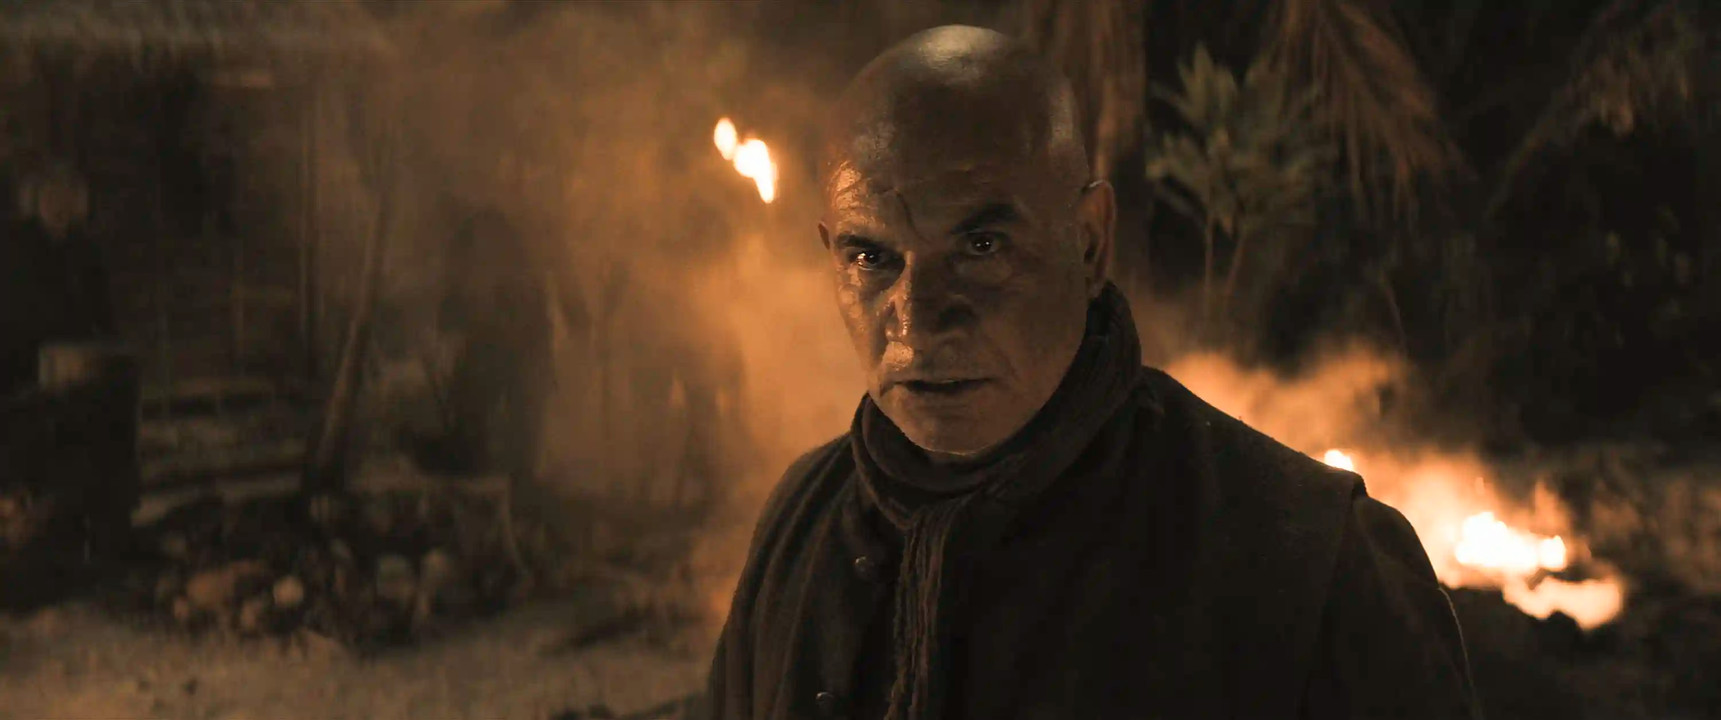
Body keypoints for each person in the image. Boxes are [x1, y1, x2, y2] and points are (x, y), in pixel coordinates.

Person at [702, 25, 1481, 720]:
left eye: (980, 246)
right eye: (871, 257)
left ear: (1088, 243)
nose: (918, 315)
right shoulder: (802, 526)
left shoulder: (1311, 561)